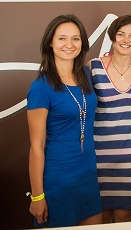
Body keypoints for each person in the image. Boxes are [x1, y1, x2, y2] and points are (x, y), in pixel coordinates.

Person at [26, 14, 102, 227]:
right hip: (58, 178)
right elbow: (36, 145)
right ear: (50, 42)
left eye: (75, 38)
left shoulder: (85, 74)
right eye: (62, 38)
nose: (69, 44)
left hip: (87, 175)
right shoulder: (41, 87)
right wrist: (37, 196)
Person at [87, 15, 131, 223]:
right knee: (100, 216)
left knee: (125, 215)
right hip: (99, 154)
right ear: (112, 36)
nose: (126, 40)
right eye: (121, 34)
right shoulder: (93, 67)